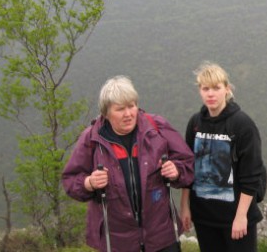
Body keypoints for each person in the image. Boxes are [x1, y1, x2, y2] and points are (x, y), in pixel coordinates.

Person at [62, 75, 195, 252]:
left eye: (132, 106)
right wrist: (89, 183)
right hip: (117, 242)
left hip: (161, 236)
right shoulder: (92, 139)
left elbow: (188, 163)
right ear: (106, 113)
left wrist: (176, 171)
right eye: (120, 109)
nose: (128, 114)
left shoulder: (156, 128)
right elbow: (70, 180)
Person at [180, 62, 265, 252]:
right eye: (205, 88)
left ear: (227, 89)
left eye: (216, 88)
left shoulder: (242, 124)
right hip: (204, 217)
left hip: (235, 217)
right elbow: (188, 167)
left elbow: (251, 174)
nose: (211, 94)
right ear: (200, 91)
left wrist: (241, 216)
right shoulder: (195, 123)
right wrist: (185, 206)